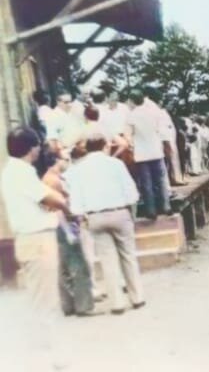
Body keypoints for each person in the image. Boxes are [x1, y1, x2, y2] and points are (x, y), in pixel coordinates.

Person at [66, 132, 145, 315]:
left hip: (95, 216)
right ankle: (137, 297)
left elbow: (76, 199)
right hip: (119, 212)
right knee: (128, 256)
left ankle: (117, 303)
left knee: (107, 260)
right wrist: (129, 205)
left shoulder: (79, 169)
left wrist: (81, 215)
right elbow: (131, 191)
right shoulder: (116, 164)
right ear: (104, 146)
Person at [1, 127, 68, 315]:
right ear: (31, 148)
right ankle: (42, 343)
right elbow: (51, 199)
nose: (39, 149)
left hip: (30, 238)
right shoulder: (20, 172)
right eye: (37, 145)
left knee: (41, 295)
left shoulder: (14, 171)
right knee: (44, 299)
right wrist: (65, 206)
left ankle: (43, 340)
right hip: (37, 239)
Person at [42, 151, 95, 317]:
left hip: (55, 224)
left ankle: (68, 305)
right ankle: (83, 305)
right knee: (78, 264)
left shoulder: (46, 179)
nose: (68, 162)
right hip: (63, 223)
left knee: (63, 266)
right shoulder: (54, 181)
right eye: (66, 159)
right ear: (56, 161)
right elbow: (64, 203)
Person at [127, 89, 171, 220]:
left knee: (147, 183)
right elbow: (162, 130)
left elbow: (128, 135)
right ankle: (166, 206)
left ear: (132, 101)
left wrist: (131, 145)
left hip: (141, 153)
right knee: (161, 180)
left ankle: (151, 210)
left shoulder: (131, 115)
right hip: (156, 150)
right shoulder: (153, 112)